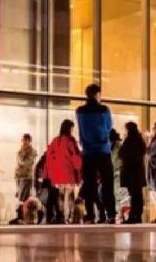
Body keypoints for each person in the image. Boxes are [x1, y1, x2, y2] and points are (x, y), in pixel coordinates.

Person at [76, 84, 116, 224]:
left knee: (89, 184)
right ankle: (111, 214)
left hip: (88, 152)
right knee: (107, 184)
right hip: (103, 151)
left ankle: (90, 215)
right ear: (97, 95)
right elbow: (109, 127)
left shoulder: (80, 111)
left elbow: (81, 130)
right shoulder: (104, 109)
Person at [44, 120, 82, 224]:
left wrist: (51, 171)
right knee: (70, 196)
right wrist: (79, 166)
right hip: (69, 173)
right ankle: (70, 217)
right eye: (72, 128)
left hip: (58, 174)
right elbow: (75, 155)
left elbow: (49, 156)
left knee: (60, 196)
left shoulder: (56, 141)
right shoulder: (70, 141)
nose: (72, 130)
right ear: (69, 129)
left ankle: (61, 216)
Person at [119, 122, 148, 224]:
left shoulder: (130, 140)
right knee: (137, 194)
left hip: (131, 172)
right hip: (137, 172)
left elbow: (122, 153)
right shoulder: (139, 140)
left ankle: (133, 216)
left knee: (134, 194)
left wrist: (126, 157)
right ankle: (137, 215)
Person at [12, 134, 37, 220]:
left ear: (30, 141)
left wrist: (22, 163)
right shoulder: (20, 151)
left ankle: (22, 217)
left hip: (26, 177)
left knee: (23, 199)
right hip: (19, 177)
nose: (25, 142)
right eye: (23, 140)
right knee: (20, 197)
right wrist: (22, 164)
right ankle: (21, 216)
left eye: (26, 140)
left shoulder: (32, 151)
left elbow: (27, 163)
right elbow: (20, 163)